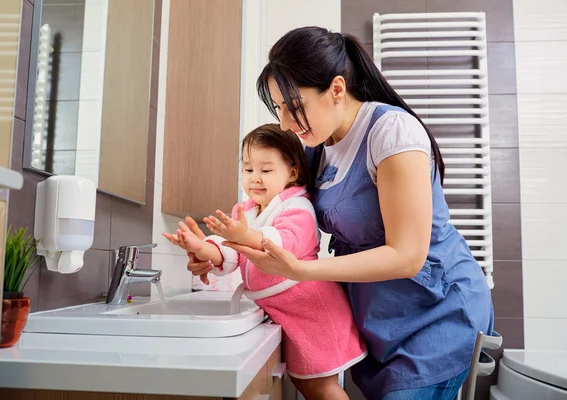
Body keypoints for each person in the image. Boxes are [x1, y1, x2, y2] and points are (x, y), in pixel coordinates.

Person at [185, 27, 495, 400]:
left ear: (336, 89)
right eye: (279, 108)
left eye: (294, 107)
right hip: (378, 319)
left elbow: (407, 257)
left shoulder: (392, 133)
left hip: (436, 314)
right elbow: (273, 218)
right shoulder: (317, 149)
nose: (285, 123)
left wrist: (301, 270)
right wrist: (217, 252)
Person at [164, 124, 367, 400]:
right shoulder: (248, 210)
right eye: (248, 169)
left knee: (321, 387)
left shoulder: (297, 207)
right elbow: (231, 252)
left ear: (292, 172)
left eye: (266, 170)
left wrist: (243, 234)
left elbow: (280, 245)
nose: (255, 179)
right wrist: (203, 248)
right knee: (305, 384)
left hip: (312, 310)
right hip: (288, 311)